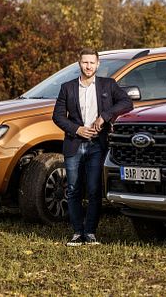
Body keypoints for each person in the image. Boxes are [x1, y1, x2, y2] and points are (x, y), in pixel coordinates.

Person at [53, 48, 133, 246]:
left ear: (98, 65)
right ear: (79, 64)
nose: (88, 66)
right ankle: (77, 232)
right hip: (74, 143)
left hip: (97, 145)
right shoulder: (67, 87)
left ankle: (90, 232)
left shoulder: (108, 84)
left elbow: (126, 102)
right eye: (85, 62)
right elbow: (58, 116)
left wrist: (104, 116)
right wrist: (77, 129)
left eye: (92, 63)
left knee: (94, 189)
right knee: (73, 189)